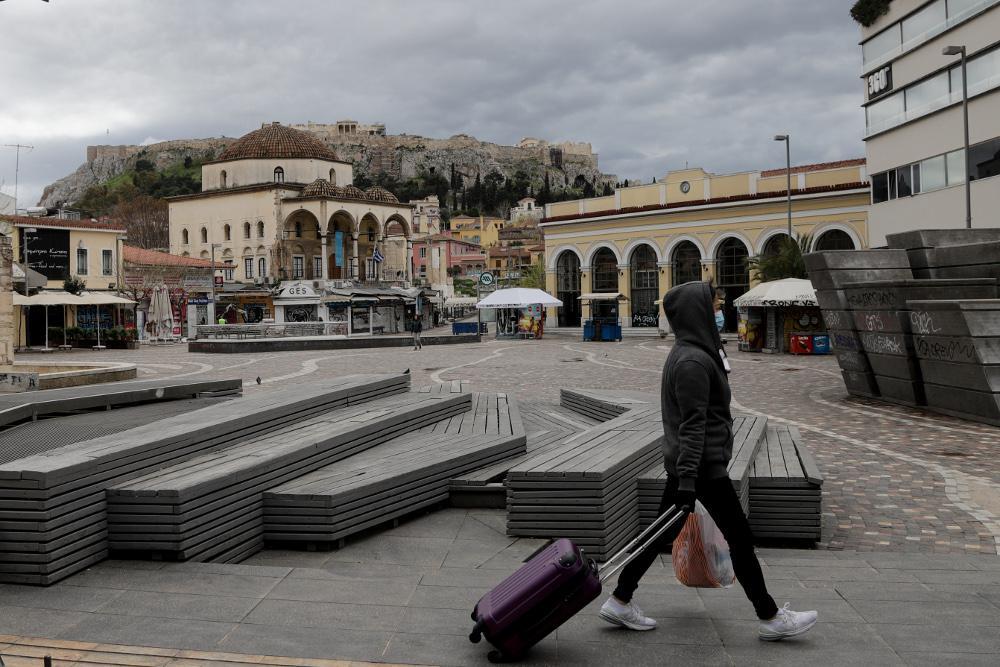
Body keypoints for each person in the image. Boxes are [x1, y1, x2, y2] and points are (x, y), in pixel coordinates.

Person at [598, 281, 817, 641]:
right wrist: (687, 481)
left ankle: (621, 599)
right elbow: (692, 425)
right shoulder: (692, 362)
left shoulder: (694, 353)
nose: (718, 309)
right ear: (697, 312)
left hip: (693, 467)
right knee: (740, 538)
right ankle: (770, 616)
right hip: (701, 469)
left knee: (658, 534)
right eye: (713, 304)